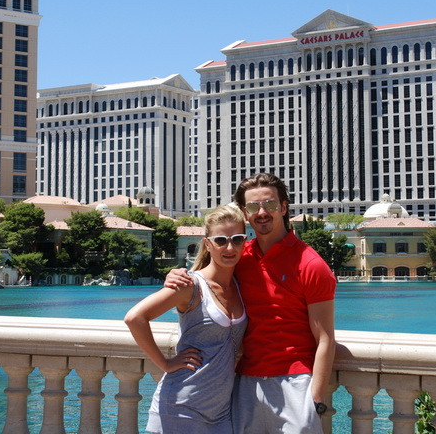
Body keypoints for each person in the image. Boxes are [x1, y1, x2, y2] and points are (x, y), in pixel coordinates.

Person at [166, 173, 336, 433]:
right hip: (244, 383)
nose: (262, 213)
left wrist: (316, 399)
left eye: (270, 204)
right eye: (254, 207)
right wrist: (177, 275)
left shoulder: (311, 264)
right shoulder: (239, 256)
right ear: (245, 213)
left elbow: (325, 338)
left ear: (283, 207)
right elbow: (204, 281)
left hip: (294, 381)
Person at [125, 205, 248, 433]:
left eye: (237, 239)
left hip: (222, 411)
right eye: (221, 240)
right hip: (180, 407)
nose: (230, 247)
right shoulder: (190, 285)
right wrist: (165, 364)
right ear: (208, 244)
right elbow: (135, 318)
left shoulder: (240, 285)